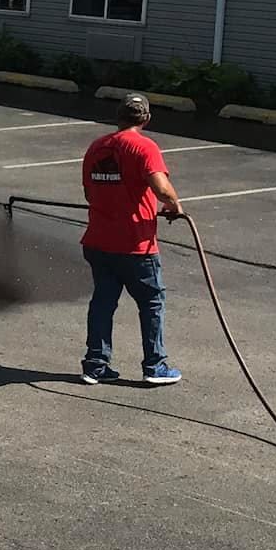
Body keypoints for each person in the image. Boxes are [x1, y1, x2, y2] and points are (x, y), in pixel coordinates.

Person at [80, 94, 185, 386]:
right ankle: (155, 365)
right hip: (135, 245)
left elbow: (89, 193)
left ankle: (95, 365)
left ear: (119, 117)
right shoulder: (145, 147)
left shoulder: (96, 147)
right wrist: (174, 206)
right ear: (146, 119)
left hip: (98, 241)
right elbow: (162, 189)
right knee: (152, 303)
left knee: (103, 302)